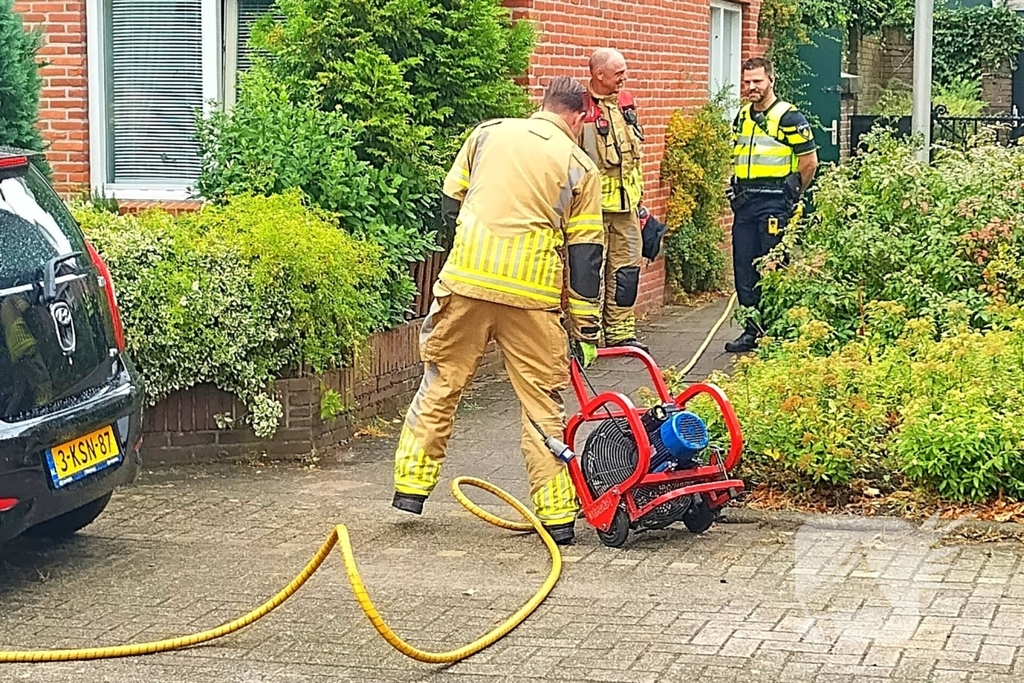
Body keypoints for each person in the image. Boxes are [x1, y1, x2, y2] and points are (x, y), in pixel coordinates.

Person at [390, 76, 605, 546]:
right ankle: (557, 517)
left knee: (442, 381)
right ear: (581, 116)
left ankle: (410, 487)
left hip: (466, 282)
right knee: (541, 405)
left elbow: (450, 204)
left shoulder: (486, 134)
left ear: (541, 104)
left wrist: (465, 253)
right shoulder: (582, 167)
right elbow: (586, 256)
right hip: (531, 297)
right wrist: (586, 326)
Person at [725, 56, 819, 353]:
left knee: (773, 267)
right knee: (744, 267)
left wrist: (794, 195)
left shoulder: (790, 117)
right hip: (745, 202)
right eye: (747, 82)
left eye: (757, 81)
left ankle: (776, 331)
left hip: (775, 201)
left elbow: (809, 162)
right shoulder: (741, 116)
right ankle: (752, 330)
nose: (751, 87)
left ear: (771, 81)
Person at [580, 47, 649, 352]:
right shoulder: (579, 108)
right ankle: (587, 339)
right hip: (591, 210)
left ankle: (621, 334)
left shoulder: (626, 102)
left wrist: (640, 201)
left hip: (627, 207)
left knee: (626, 271)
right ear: (598, 74)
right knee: (588, 274)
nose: (624, 78)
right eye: (618, 73)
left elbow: (635, 158)